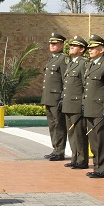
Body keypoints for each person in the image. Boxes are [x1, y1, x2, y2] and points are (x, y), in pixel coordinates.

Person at [83, 34, 104, 178]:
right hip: (90, 108)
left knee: (102, 140)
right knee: (93, 141)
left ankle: (103, 169)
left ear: (101, 49)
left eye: (93, 48)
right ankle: (97, 166)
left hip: (100, 108)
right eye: (89, 48)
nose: (90, 50)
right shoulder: (91, 64)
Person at [61, 35, 89, 169]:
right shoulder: (71, 63)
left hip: (77, 104)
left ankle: (82, 160)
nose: (71, 47)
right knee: (71, 133)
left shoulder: (83, 63)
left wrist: (83, 103)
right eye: (71, 45)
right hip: (68, 104)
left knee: (79, 134)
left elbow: (85, 85)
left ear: (82, 49)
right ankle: (75, 157)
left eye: (75, 46)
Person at [41, 33, 69, 161]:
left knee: (59, 125)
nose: (51, 45)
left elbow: (66, 80)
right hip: (49, 98)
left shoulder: (63, 59)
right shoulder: (52, 59)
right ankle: (55, 149)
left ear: (61, 45)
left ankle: (59, 151)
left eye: (55, 43)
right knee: (52, 125)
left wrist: (63, 97)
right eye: (50, 43)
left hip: (57, 98)